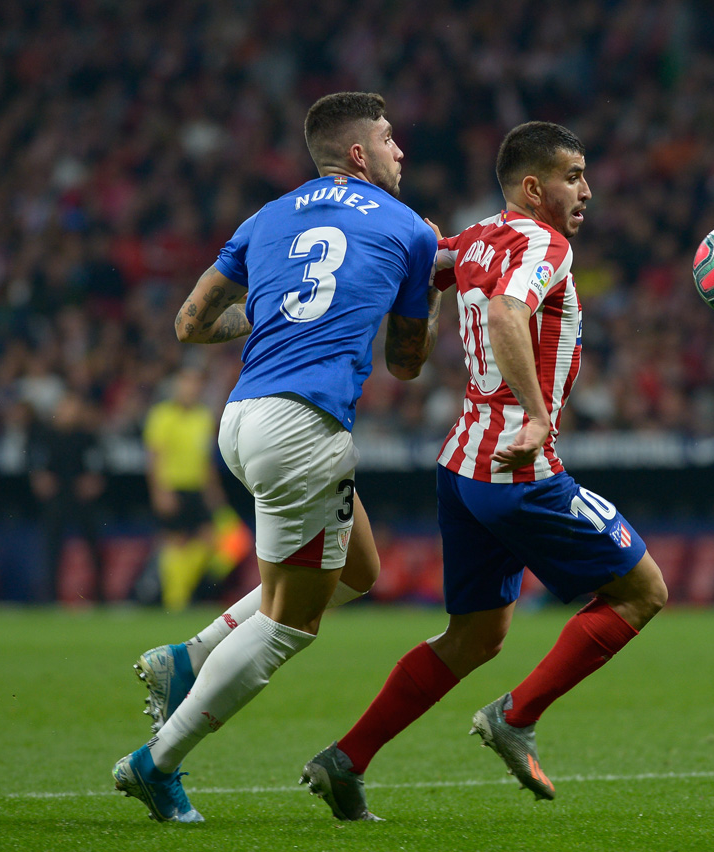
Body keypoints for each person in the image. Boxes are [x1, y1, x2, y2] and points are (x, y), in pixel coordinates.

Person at [299, 122, 668, 821]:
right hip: (517, 469)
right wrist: (535, 415)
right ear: (534, 187)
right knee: (642, 591)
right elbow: (505, 311)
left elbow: (424, 269)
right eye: (572, 177)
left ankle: (346, 759)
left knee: (477, 636)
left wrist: (422, 250)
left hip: (462, 468)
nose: (586, 191)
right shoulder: (544, 243)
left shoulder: (474, 239)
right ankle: (515, 718)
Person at [111, 91, 442, 823]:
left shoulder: (267, 216)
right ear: (359, 153)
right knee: (291, 623)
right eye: (390, 140)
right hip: (304, 429)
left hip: (241, 417)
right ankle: (156, 763)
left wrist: (263, 312)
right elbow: (410, 362)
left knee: (360, 572)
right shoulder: (410, 228)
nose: (401, 152)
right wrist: (426, 283)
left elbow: (191, 323)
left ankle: (188, 658)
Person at [142, 366, 239, 611]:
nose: (191, 389)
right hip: (172, 488)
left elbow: (206, 461)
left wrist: (214, 493)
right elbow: (154, 458)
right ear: (177, 387)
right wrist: (159, 492)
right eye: (187, 383)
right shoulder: (161, 415)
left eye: (196, 384)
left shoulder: (204, 417)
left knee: (229, 541)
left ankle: (191, 590)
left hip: (198, 489)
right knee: (175, 543)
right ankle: (176, 601)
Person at [28, 394, 107, 602]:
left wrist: (93, 481)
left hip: (81, 498)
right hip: (57, 498)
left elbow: (98, 466)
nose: (70, 413)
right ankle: (51, 598)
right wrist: (40, 479)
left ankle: (101, 596)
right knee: (53, 549)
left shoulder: (86, 436)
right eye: (66, 408)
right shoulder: (46, 436)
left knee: (93, 546)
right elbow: (36, 466)